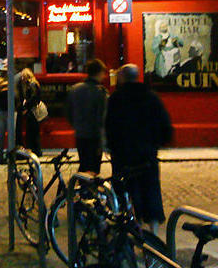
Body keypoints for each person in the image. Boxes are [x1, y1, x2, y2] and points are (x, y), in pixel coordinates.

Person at [105, 64, 173, 234]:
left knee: (126, 191)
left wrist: (112, 147)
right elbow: (165, 124)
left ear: (122, 78)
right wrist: (156, 143)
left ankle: (133, 228)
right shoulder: (151, 97)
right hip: (147, 154)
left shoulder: (116, 99)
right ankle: (153, 231)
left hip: (123, 155)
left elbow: (110, 126)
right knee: (150, 190)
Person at [67, 58, 108, 174]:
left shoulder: (75, 89)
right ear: (99, 72)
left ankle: (81, 183)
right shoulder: (100, 92)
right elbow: (102, 117)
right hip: (95, 136)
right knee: (94, 168)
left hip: (80, 134)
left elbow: (69, 112)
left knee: (84, 164)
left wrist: (76, 125)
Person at [17, 68, 42, 157]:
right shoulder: (34, 84)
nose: (22, 79)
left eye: (23, 76)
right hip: (33, 111)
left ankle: (36, 151)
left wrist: (26, 104)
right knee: (34, 132)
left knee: (32, 132)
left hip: (32, 112)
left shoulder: (32, 85)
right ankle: (36, 150)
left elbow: (33, 98)